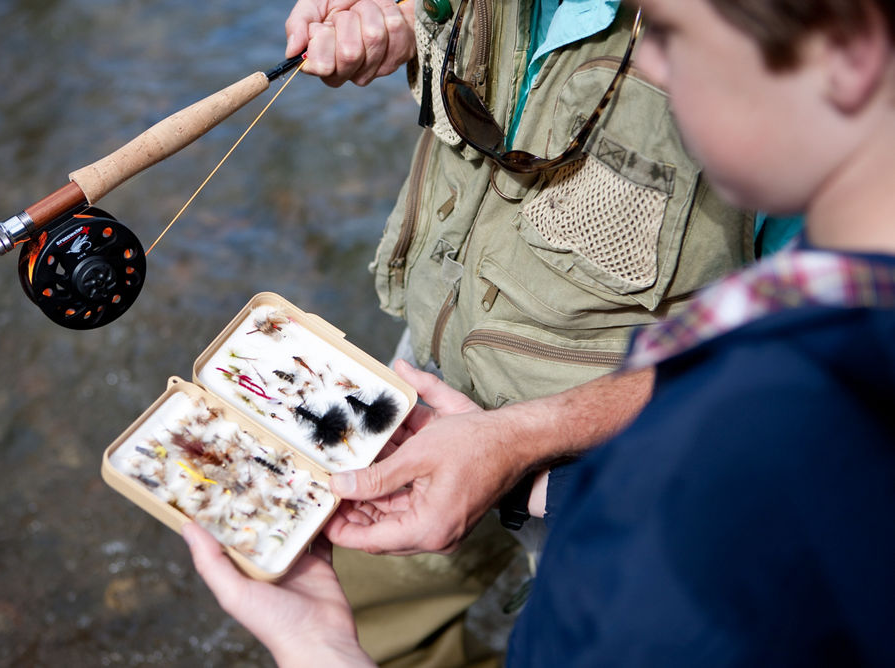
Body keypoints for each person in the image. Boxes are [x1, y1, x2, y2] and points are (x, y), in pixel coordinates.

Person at [184, 0, 895, 663]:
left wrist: (317, 651)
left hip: (601, 461)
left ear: (849, 49)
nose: (653, 62)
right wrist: (398, 20)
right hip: (435, 395)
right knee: (383, 612)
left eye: (674, 35)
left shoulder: (696, 503)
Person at [276, 1, 760, 665]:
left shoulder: (803, 51)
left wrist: (521, 443)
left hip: (616, 467)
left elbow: (796, 356)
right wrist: (381, 20)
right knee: (364, 612)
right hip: (426, 380)